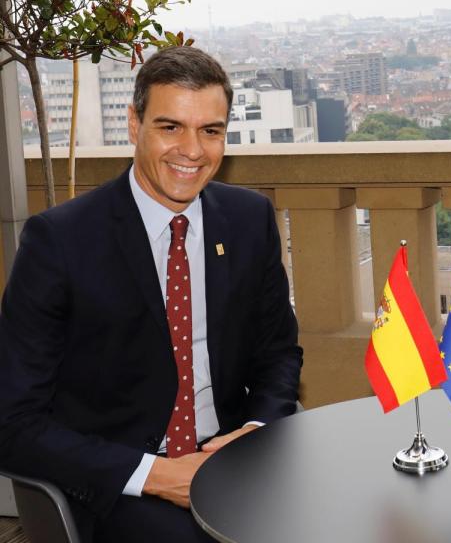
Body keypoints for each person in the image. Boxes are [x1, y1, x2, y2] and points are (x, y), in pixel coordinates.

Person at [0, 46, 302, 542]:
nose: (192, 150)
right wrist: (156, 476)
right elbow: (12, 422)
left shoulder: (249, 221)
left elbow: (278, 356)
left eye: (210, 130)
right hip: (120, 485)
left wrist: (254, 432)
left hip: (233, 461)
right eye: (170, 127)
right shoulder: (60, 241)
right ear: (134, 123)